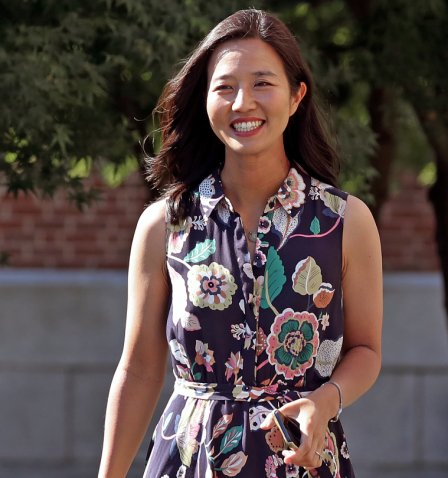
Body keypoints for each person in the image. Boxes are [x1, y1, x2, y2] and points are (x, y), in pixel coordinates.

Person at [98, 9, 383, 478]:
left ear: (296, 97)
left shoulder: (345, 220)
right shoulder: (164, 224)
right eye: (225, 87)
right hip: (189, 460)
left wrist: (324, 402)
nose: (242, 102)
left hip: (301, 458)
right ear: (205, 100)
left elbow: (366, 351)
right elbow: (139, 370)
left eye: (263, 84)